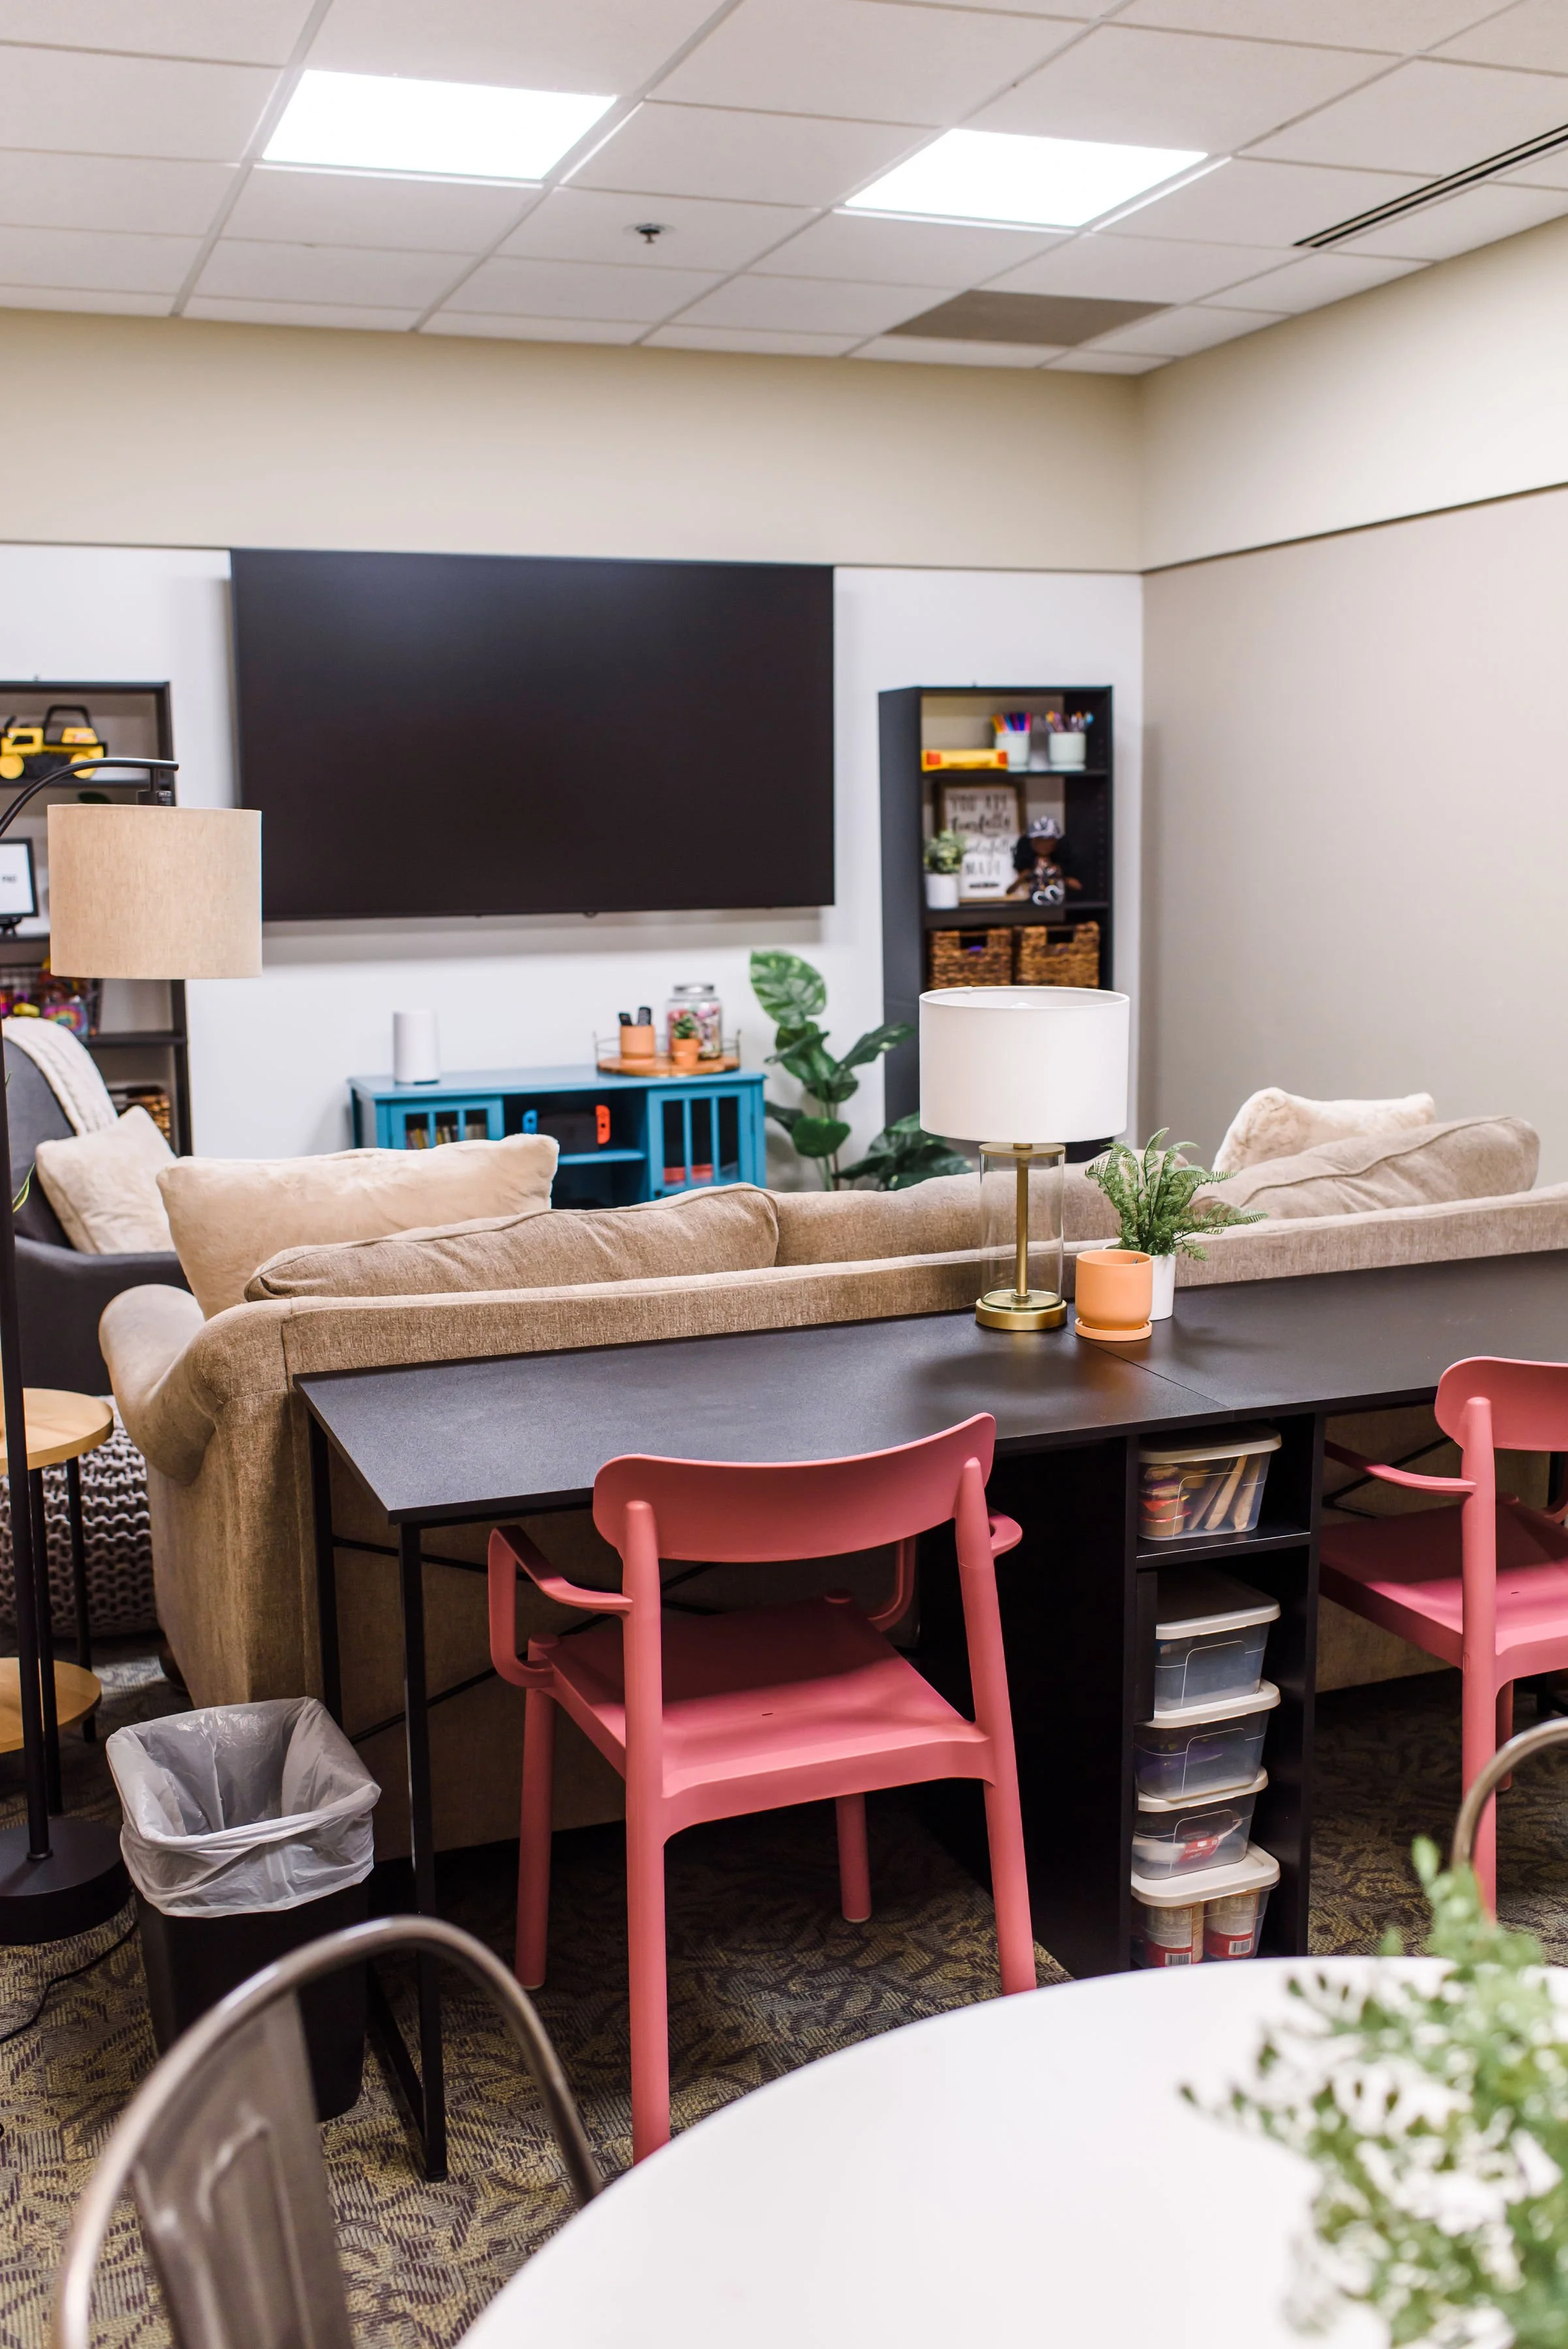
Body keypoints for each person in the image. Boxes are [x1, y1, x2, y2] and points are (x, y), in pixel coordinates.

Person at [1009, 814, 1081, 908]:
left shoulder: (1059, 866)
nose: (1045, 845)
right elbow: (1014, 886)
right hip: (1032, 895)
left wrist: (1064, 877)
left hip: (1055, 893)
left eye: (1050, 841)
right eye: (1039, 841)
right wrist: (1023, 878)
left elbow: (1075, 884)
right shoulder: (1029, 867)